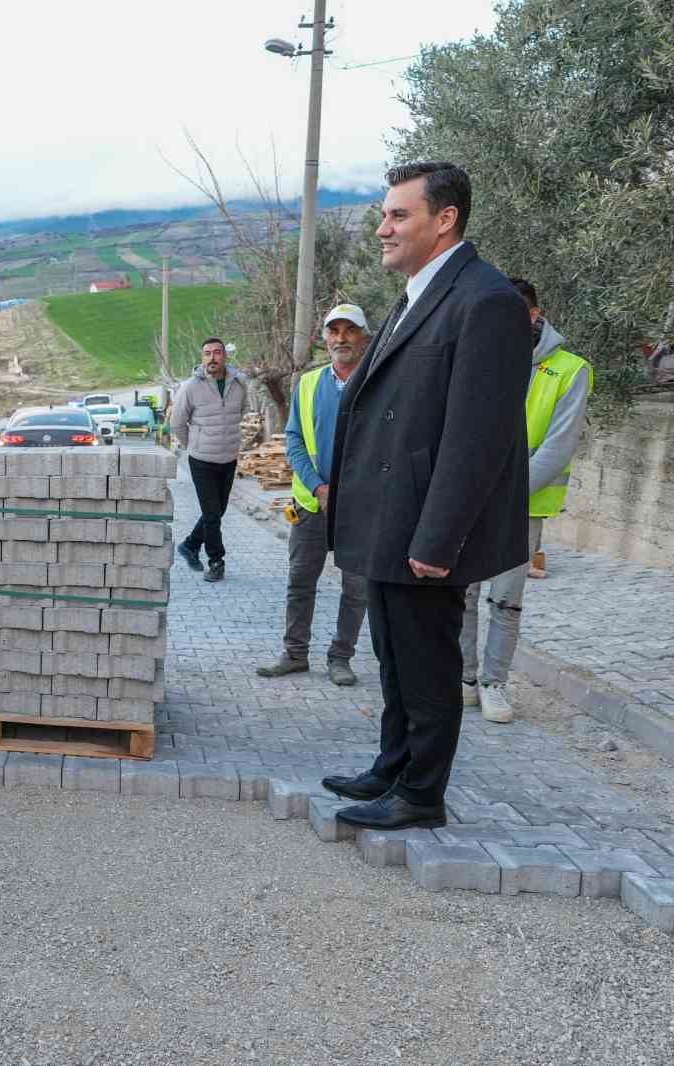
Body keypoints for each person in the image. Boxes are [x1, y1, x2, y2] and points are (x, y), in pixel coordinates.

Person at [321, 162, 532, 831]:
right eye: (384, 214)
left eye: (398, 216)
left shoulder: (485, 299)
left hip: (421, 530)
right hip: (385, 517)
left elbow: (480, 436)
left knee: (427, 663)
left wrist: (439, 541)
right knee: (393, 656)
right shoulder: (419, 291)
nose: (382, 228)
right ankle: (392, 766)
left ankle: (420, 796)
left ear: (445, 219)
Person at [459, 277, 593, 724]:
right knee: (462, 592)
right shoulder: (479, 358)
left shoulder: (571, 369)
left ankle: (494, 684)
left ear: (536, 315)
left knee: (506, 599)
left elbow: (558, 446)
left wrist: (502, 493)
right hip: (471, 498)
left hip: (524, 504)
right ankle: (464, 679)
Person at [257, 305, 371, 688]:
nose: (341, 337)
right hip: (310, 504)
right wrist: (318, 487)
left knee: (356, 588)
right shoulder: (307, 385)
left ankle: (341, 657)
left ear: (364, 337)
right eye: (333, 331)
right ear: (324, 339)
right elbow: (294, 440)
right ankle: (294, 654)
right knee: (301, 581)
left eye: (349, 330)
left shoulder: (379, 382)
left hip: (361, 508)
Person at [172, 338, 250, 583]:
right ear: (202, 357)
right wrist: (192, 445)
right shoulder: (190, 387)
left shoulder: (239, 383)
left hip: (228, 458)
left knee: (218, 510)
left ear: (225, 356)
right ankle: (216, 561)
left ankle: (189, 545)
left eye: (217, 352)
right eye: (207, 353)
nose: (212, 358)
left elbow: (242, 411)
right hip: (202, 459)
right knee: (212, 513)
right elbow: (176, 423)